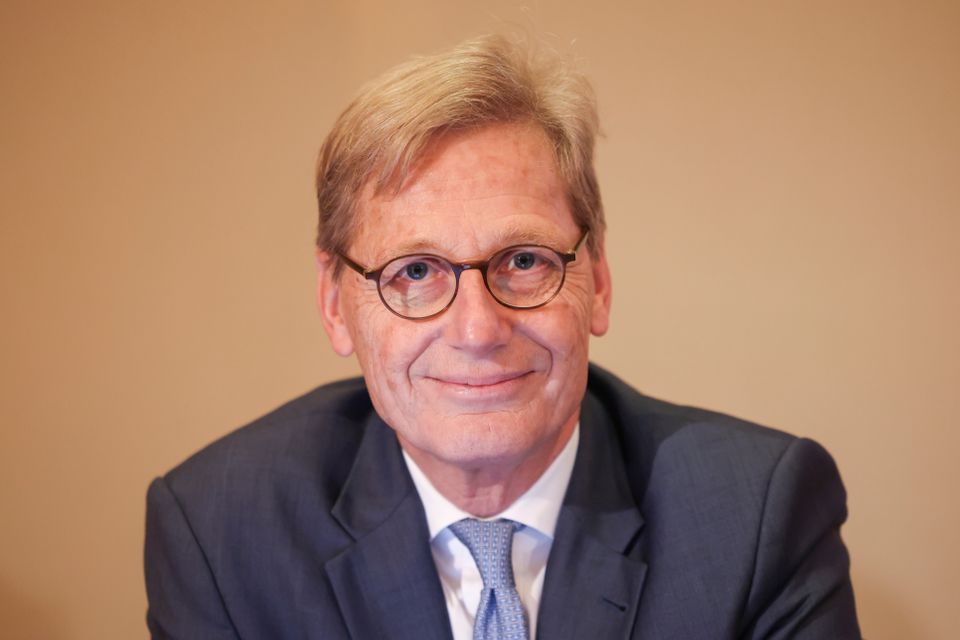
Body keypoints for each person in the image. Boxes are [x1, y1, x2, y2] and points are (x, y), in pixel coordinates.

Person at [144, 34, 860, 639]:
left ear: (598, 281)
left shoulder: (755, 516)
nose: (478, 329)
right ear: (335, 304)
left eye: (523, 261)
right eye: (415, 271)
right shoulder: (219, 530)